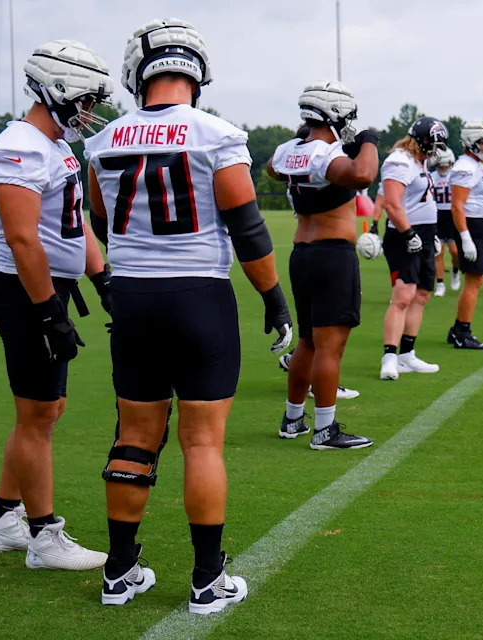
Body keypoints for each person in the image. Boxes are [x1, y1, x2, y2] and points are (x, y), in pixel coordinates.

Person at [86, 19, 293, 612]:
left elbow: (102, 221)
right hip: (199, 296)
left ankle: (119, 572)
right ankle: (207, 580)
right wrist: (273, 298)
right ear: (196, 73)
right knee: (202, 444)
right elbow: (247, 228)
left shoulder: (102, 141)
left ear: (136, 74)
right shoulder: (218, 133)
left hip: (133, 299)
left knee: (134, 436)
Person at [0, 40, 115, 572]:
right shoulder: (19, 146)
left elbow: (73, 224)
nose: (89, 110)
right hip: (24, 291)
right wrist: (48, 312)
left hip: (44, 289)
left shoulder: (53, 145)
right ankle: (42, 537)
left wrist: (101, 279)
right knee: (37, 415)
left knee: (45, 410)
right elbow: (23, 240)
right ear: (56, 89)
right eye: (85, 99)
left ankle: (3, 519)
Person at [267, 80, 378, 449]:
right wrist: (370, 139)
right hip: (332, 255)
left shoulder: (289, 150)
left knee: (308, 341)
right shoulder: (326, 154)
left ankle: (293, 418)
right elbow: (363, 173)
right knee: (330, 346)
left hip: (302, 253)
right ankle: (326, 430)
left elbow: (273, 168)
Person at [379, 117, 448, 380]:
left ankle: (407, 354)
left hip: (425, 234)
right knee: (403, 295)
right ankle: (389, 356)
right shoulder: (399, 161)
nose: (436, 150)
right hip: (403, 234)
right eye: (435, 144)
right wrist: (408, 232)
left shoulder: (419, 161)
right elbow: (393, 204)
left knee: (421, 295)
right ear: (422, 139)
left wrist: (431, 234)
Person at [446, 120, 483, 350]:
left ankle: (458, 329)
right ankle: (462, 332)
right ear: (472, 142)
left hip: (480, 225)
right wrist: (466, 237)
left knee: (476, 280)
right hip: (472, 225)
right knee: (474, 281)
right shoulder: (465, 166)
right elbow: (457, 205)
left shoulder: (475, 165)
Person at [429, 147, 460, 296]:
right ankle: (440, 283)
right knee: (438, 252)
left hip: (452, 215)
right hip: (437, 215)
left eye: (445, 165)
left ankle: (455, 271)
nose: (443, 168)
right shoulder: (432, 177)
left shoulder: (456, 177)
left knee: (455, 251)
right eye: (440, 165)